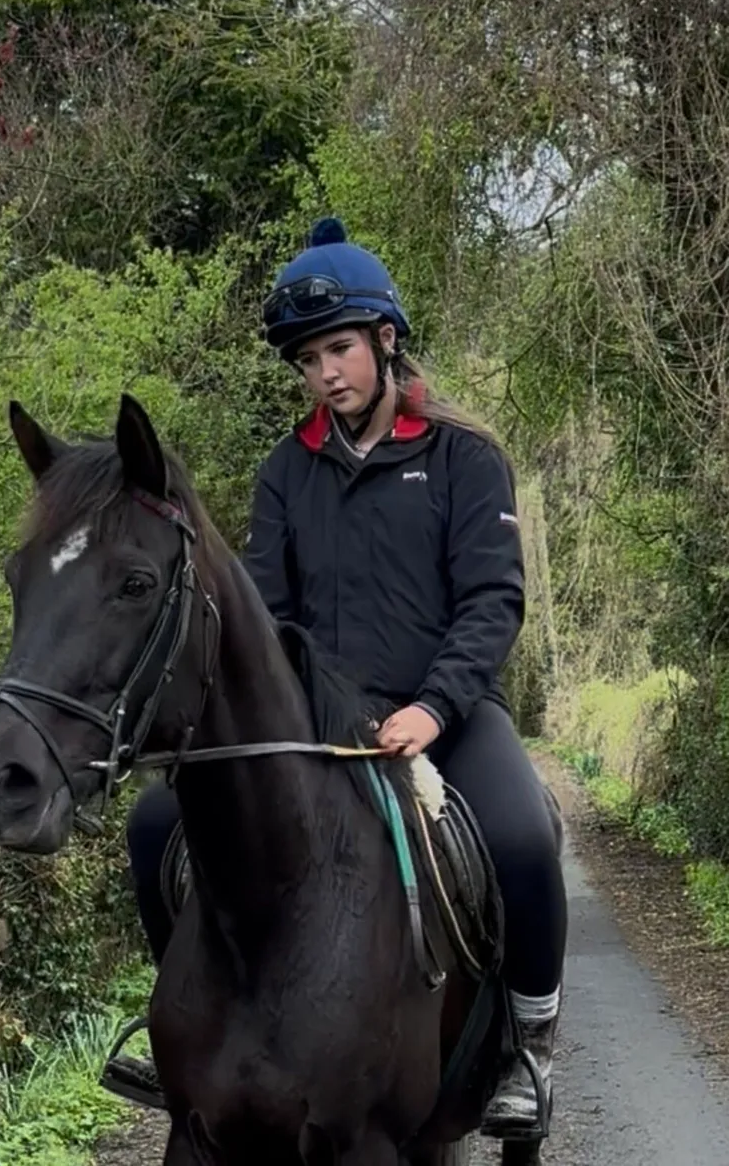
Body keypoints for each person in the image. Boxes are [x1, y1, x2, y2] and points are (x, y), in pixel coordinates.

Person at [101, 218, 568, 1141]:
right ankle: (178, 1030)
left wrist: (434, 707)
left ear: (385, 340)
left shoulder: (464, 458)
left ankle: (526, 1046)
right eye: (309, 359)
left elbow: (492, 601)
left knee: (521, 838)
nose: (325, 373)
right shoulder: (286, 471)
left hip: (442, 713)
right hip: (315, 725)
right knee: (155, 825)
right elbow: (265, 612)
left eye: (340, 349)